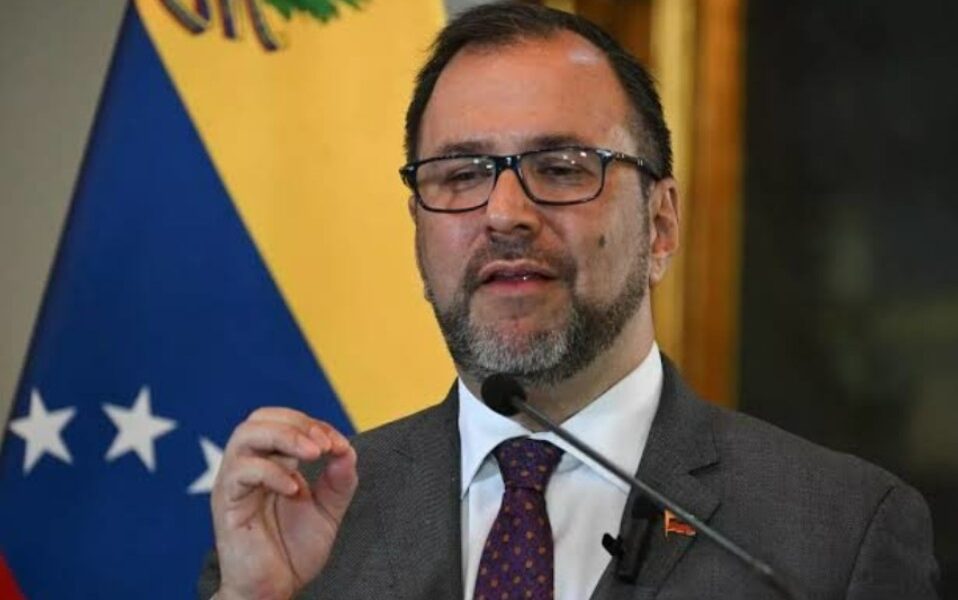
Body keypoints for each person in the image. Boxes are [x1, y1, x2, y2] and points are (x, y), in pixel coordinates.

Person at [199, 3, 940, 599]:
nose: (504, 214)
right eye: (461, 175)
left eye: (560, 167)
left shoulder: (838, 534)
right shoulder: (301, 520)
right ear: (418, 226)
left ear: (660, 223)